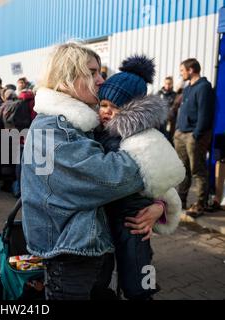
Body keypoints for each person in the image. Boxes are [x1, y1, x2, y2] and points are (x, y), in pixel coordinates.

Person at [21, 42, 185, 300]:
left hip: (88, 247)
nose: (100, 80)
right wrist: (156, 156)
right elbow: (105, 179)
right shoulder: (52, 129)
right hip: (71, 254)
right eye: (93, 72)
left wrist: (159, 205)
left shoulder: (80, 123)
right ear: (67, 77)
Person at [96, 55, 182, 300]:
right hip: (100, 222)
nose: (107, 112)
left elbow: (166, 179)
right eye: (103, 104)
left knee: (141, 282)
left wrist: (160, 206)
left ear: (133, 108)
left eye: (115, 107)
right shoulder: (94, 132)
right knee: (100, 281)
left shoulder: (148, 138)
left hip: (133, 222)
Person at [174, 58, 216, 217]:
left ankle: (199, 205)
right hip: (181, 134)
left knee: (197, 171)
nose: (181, 73)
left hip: (194, 136)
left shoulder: (204, 87)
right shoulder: (187, 88)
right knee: (182, 170)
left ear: (191, 70)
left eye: (182, 70)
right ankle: (181, 201)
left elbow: (205, 114)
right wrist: (178, 130)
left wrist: (196, 135)